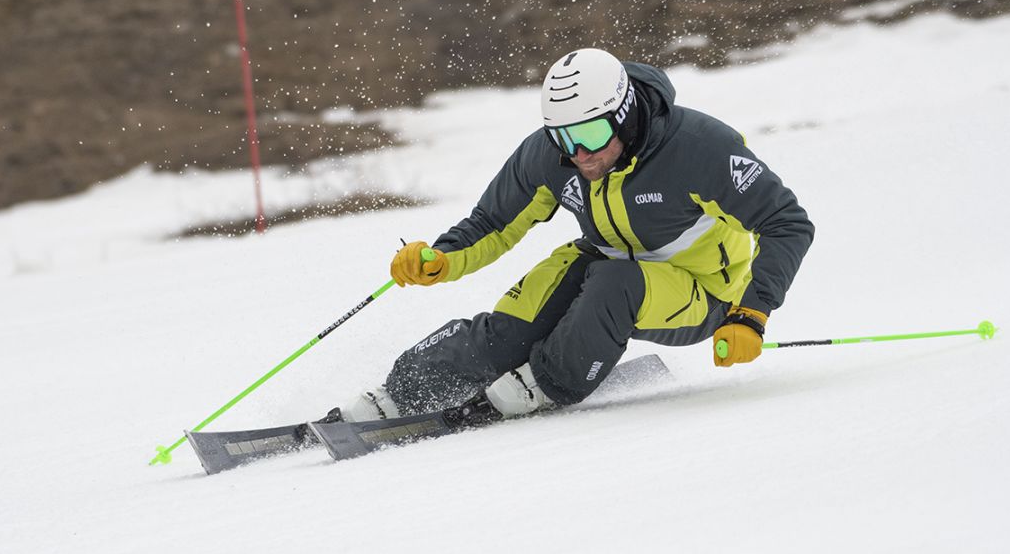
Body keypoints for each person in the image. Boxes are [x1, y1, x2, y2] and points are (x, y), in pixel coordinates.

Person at [342, 48, 814, 423]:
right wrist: (440, 257)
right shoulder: (553, 154)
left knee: (616, 284)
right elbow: (493, 223)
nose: (579, 154)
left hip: (704, 292)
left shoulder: (700, 149)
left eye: (589, 133)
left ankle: (546, 382)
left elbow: (787, 223)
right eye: (564, 137)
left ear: (625, 114)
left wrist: (750, 314)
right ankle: (402, 391)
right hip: (605, 260)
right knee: (512, 330)